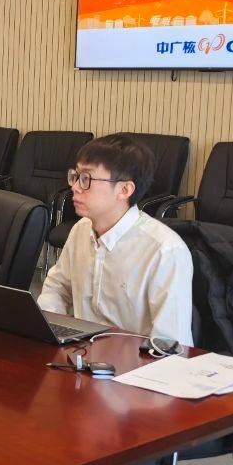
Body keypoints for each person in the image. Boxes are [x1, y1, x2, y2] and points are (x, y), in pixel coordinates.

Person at [38, 134, 193, 348]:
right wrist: (48, 328)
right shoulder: (81, 229)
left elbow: (171, 345)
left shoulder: (165, 251)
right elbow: (58, 287)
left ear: (124, 190)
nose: (74, 187)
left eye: (86, 179)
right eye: (75, 176)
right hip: (82, 354)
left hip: (135, 362)